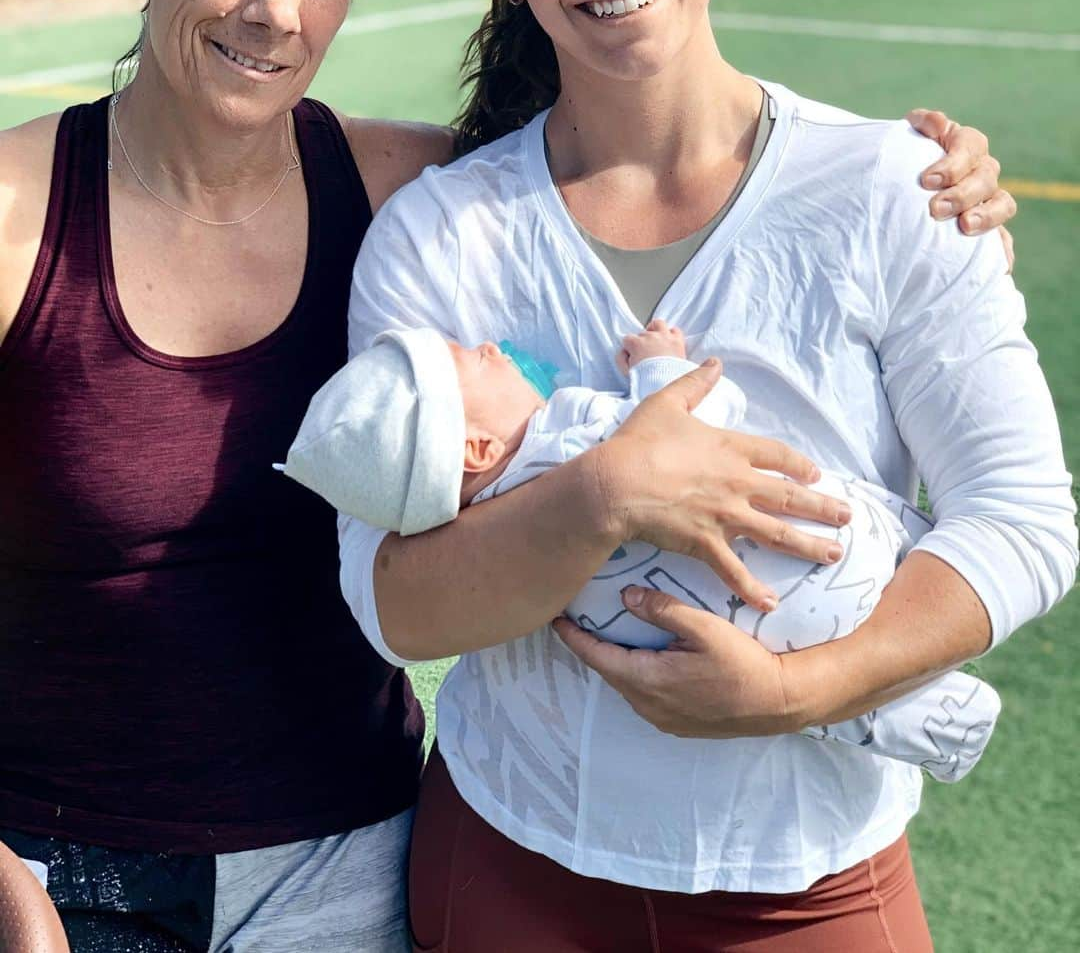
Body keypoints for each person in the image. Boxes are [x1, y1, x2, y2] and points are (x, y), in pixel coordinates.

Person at [0, 0, 1013, 952]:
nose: (275, 9)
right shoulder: (19, 215)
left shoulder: (407, 192)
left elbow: (624, 149)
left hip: (352, 859)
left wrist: (931, 177)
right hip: (66, 876)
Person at [336, 0, 1077, 952]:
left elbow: (1024, 517)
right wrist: (607, 494)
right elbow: (394, 603)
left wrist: (799, 691)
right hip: (511, 862)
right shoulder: (443, 235)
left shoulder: (898, 189)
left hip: (809, 881)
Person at [284, 320, 1001, 784]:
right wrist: (662, 368)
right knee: (855, 540)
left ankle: (923, 718)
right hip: (812, 557)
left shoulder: (504, 543)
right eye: (477, 359)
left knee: (799, 673)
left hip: (709, 631)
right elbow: (693, 427)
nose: (497, 349)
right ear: (475, 447)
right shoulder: (571, 442)